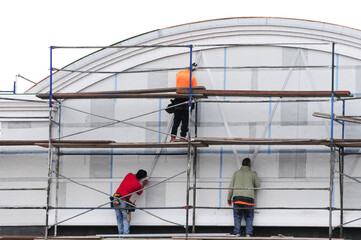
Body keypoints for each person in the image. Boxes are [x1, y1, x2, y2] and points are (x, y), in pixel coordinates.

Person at [227, 158, 260, 237]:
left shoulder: (236, 173)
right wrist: (256, 175)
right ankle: (248, 234)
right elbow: (258, 186)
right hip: (248, 200)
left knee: (237, 217)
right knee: (249, 217)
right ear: (249, 164)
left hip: (237, 199)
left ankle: (237, 233)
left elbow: (231, 187)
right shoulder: (252, 174)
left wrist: (229, 198)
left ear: (242, 164)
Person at [113, 169, 148, 235]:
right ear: (141, 178)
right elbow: (139, 193)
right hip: (123, 201)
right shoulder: (137, 185)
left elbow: (134, 176)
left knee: (119, 218)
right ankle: (125, 236)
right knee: (126, 218)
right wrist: (143, 184)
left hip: (115, 199)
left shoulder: (129, 174)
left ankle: (120, 235)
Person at [170, 64, 197, 142]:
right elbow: (194, 91)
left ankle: (172, 137)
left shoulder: (179, 74)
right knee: (185, 121)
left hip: (178, 99)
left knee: (176, 120)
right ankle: (182, 137)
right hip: (187, 101)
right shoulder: (192, 77)